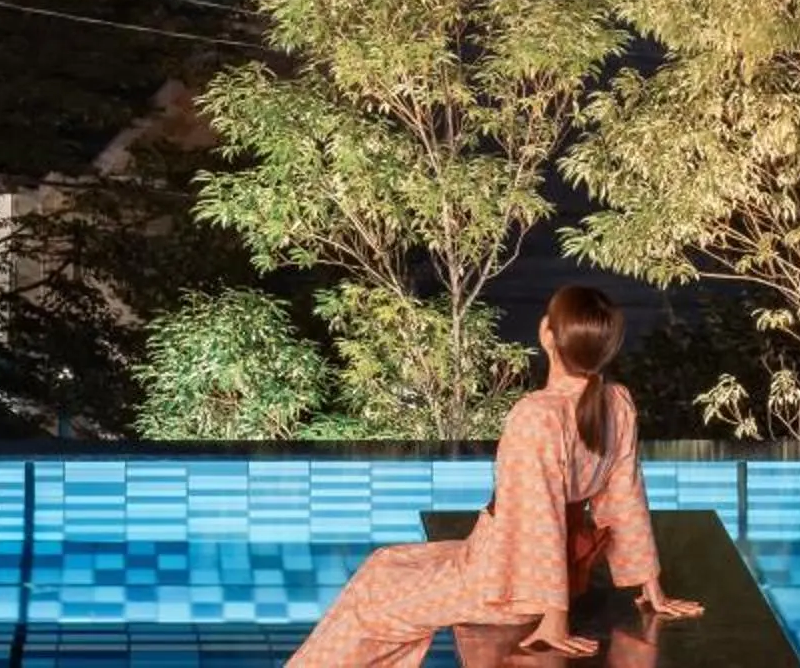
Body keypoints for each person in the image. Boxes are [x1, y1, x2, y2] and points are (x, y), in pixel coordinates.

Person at [287, 286, 700, 668]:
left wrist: (554, 620)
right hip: (516, 565)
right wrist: (651, 586)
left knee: (370, 610)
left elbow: (542, 520)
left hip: (505, 582)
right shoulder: (618, 402)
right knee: (386, 563)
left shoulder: (537, 415)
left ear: (547, 334)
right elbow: (624, 495)